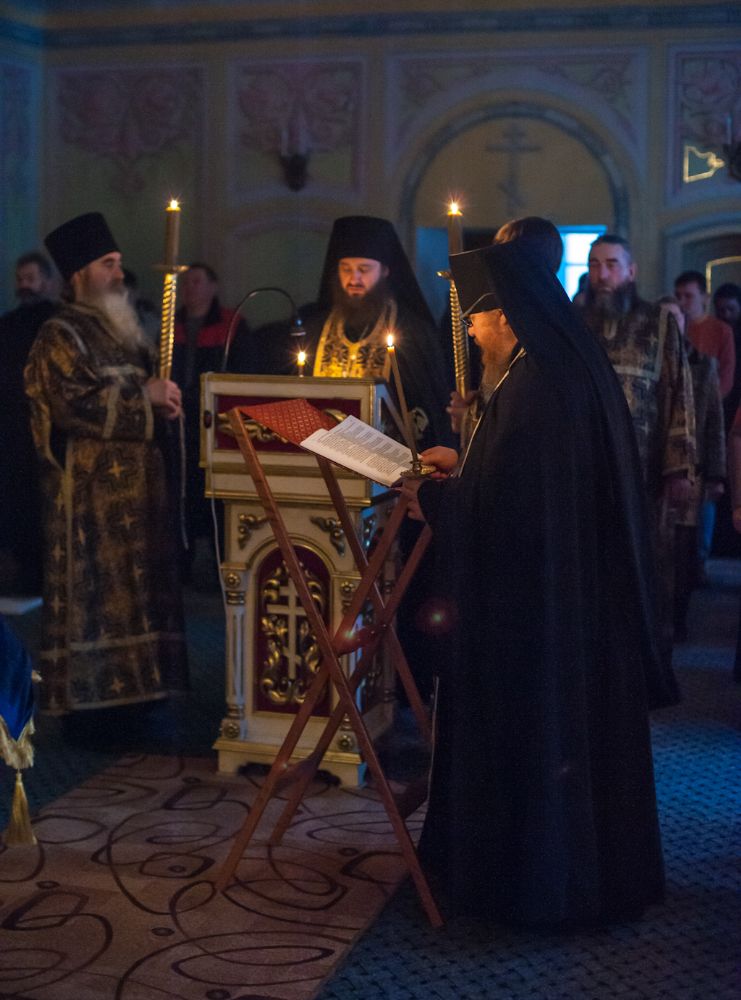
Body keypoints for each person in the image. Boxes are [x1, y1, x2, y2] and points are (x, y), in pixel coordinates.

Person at [399, 235, 675, 929]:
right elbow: (515, 480)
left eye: (475, 319)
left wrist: (434, 500)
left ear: (507, 315)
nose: (469, 331)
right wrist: (464, 463)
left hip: (539, 617)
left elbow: (510, 513)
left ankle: (530, 889)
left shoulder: (537, 387)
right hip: (568, 603)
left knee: (540, 742)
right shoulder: (549, 368)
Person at [24, 212, 188, 714]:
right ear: (79, 275)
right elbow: (71, 404)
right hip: (90, 501)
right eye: (107, 264)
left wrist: (167, 403)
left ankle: (146, 697)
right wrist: (145, 397)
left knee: (142, 595)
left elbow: (147, 391)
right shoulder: (60, 333)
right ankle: (96, 710)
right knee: (98, 601)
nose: (119, 273)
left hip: (140, 495)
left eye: (118, 263)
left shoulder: (123, 329)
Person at [581, 234, 695, 659]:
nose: (602, 274)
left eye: (612, 264)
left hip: (644, 470)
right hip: (588, 467)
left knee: (645, 564)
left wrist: (679, 466)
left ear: (631, 271)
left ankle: (648, 659)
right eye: (595, 265)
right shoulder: (576, 321)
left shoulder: (658, 322)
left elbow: (679, 391)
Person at [447, 217, 563, 442]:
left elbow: (521, 436)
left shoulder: (537, 357)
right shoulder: (552, 321)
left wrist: (469, 420)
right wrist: (480, 404)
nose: (471, 332)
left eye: (500, 249)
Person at [172, 262, 252, 578]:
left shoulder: (232, 324)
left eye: (196, 281)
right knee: (184, 493)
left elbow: (243, 372)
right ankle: (185, 564)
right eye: (186, 283)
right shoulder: (173, 323)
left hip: (216, 422)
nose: (189, 288)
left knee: (217, 495)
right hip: (181, 422)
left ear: (213, 286)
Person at [658, 298, 725, 641]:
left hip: (691, 470)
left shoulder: (703, 364)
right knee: (655, 546)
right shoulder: (648, 359)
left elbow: (714, 422)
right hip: (654, 469)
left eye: (675, 319)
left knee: (684, 547)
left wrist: (716, 474)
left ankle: (678, 616)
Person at [0, 252, 58, 594]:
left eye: (31, 278)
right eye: (21, 279)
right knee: (17, 499)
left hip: (47, 427)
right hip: (12, 427)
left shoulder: (56, 324)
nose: (24, 285)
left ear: (47, 282)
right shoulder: (7, 324)